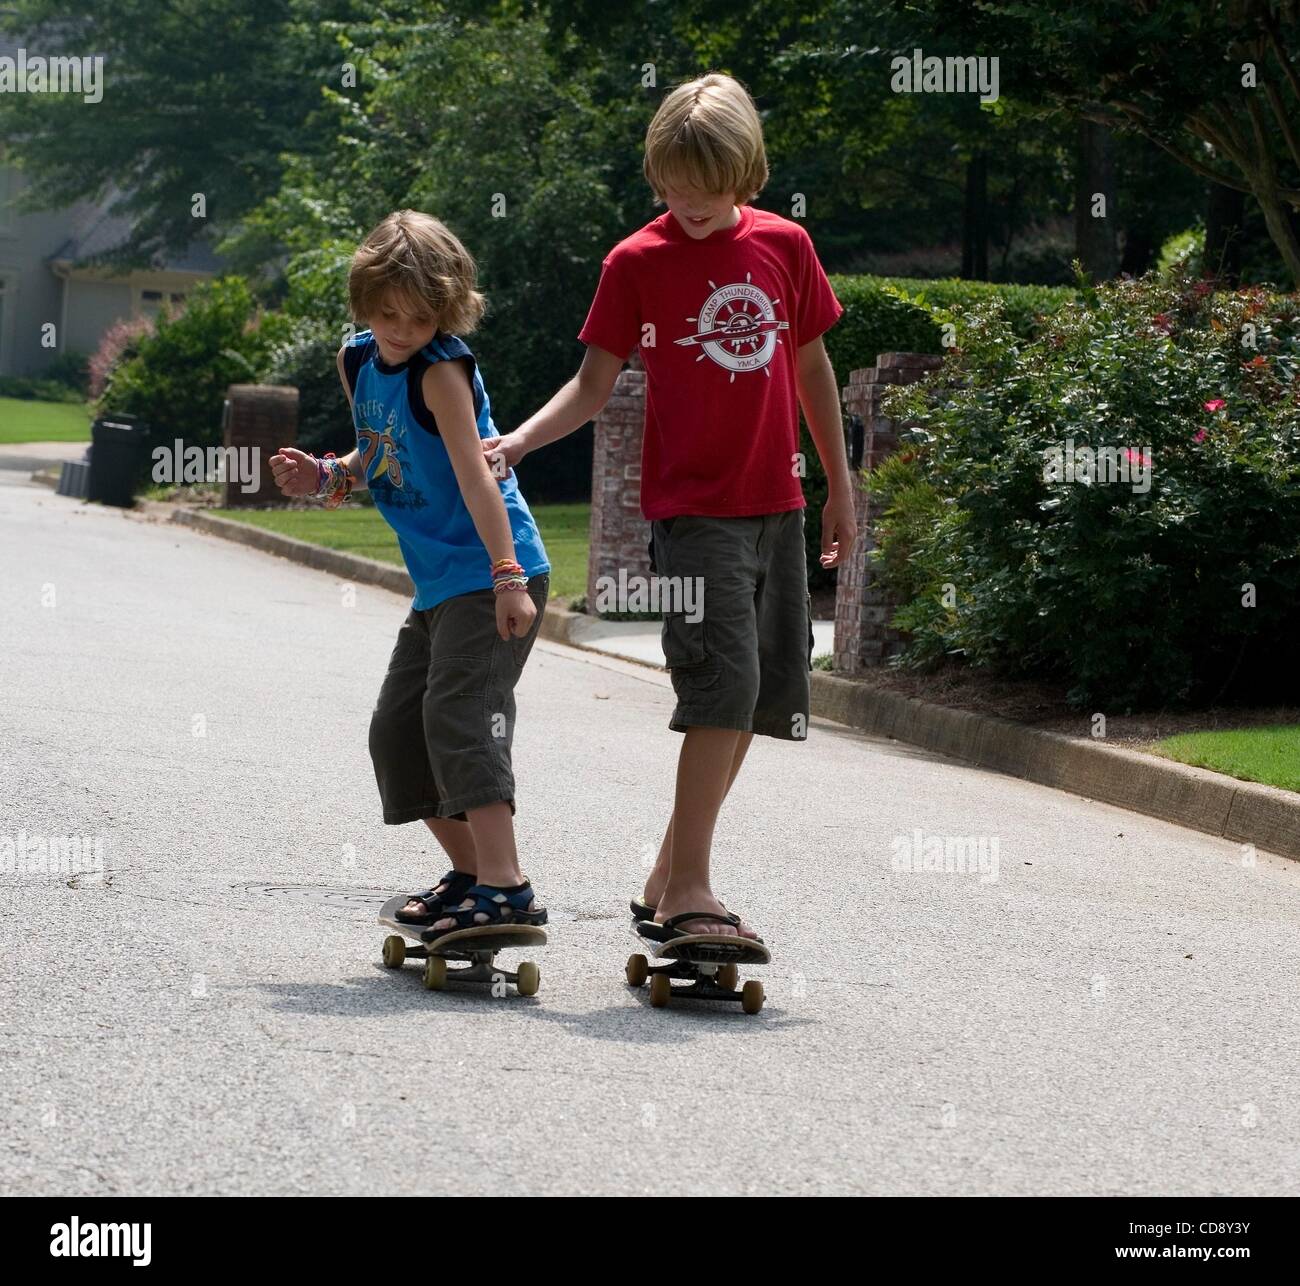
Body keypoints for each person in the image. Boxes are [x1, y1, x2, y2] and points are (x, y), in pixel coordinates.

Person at [483, 73, 855, 942]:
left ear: (746, 173)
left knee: (763, 696)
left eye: (705, 189)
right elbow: (591, 385)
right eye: (671, 188)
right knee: (723, 686)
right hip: (693, 513)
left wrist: (841, 485)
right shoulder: (636, 262)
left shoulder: (787, 246)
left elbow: (811, 369)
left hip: (779, 505)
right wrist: (524, 441)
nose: (686, 204)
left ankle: (667, 872)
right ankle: (692, 886)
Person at [271, 209, 551, 938]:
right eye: (387, 314)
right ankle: (471, 873)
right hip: (438, 585)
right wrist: (327, 476)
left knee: (460, 715)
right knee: (397, 732)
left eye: (419, 318)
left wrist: (506, 575)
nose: (400, 329)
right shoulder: (358, 359)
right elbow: (379, 452)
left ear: (446, 312)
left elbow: (477, 476)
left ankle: (505, 885)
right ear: (364, 303)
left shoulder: (442, 374)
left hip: (493, 572)